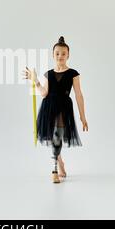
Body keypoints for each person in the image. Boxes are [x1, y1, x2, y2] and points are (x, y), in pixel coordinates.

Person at [22, 36, 88, 183]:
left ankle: (55, 170)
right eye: (57, 53)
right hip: (49, 107)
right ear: (53, 55)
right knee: (53, 138)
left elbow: (78, 95)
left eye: (63, 53)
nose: (60, 56)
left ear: (68, 55)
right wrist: (36, 81)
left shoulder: (73, 74)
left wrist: (83, 117)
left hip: (64, 108)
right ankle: (60, 162)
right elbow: (44, 93)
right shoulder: (49, 74)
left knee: (58, 135)